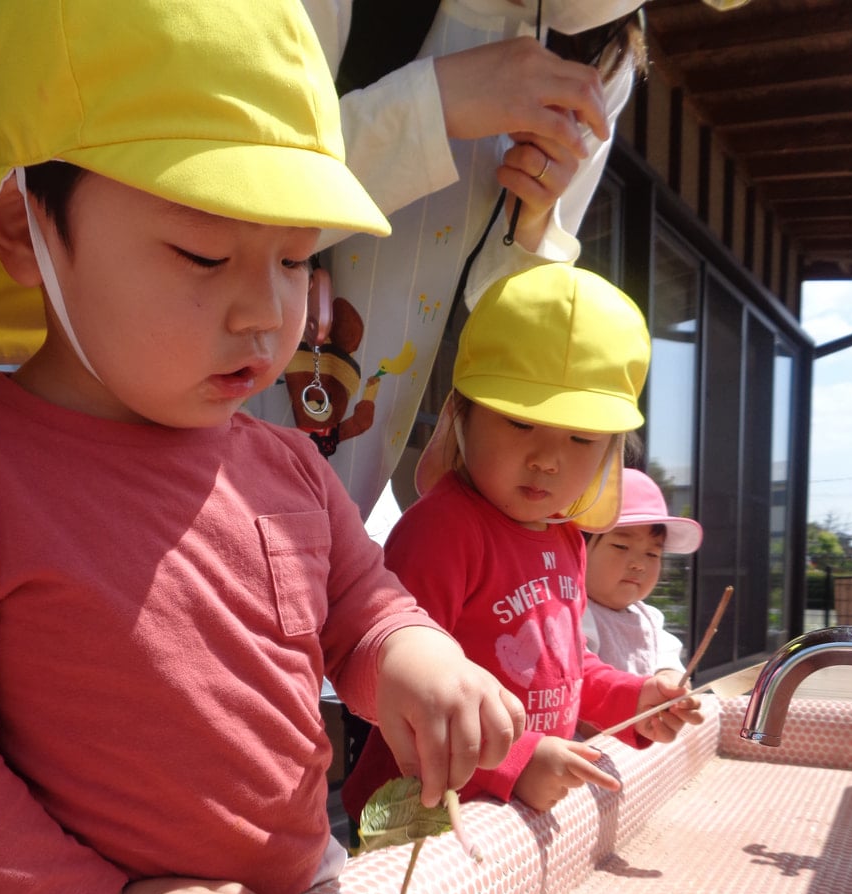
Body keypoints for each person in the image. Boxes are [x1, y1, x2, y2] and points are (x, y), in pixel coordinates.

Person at [0, 0, 526, 894]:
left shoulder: (286, 463)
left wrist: (421, 661)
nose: (265, 312)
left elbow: (361, 610)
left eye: (292, 259)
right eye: (203, 255)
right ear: (28, 233)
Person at [252, 0, 647, 518]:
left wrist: (530, 228)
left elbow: (508, 338)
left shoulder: (601, 49)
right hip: (186, 450)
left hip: (342, 505)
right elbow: (217, 198)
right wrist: (431, 105)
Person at [342, 263, 703, 821]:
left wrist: (635, 699)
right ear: (461, 415)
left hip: (518, 816)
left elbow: (566, 668)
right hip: (422, 818)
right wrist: (515, 759)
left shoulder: (567, 537)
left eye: (581, 437)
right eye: (519, 423)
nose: (547, 458)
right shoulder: (440, 532)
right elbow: (400, 692)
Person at [582, 468, 704, 680]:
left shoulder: (649, 618)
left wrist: (669, 677)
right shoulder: (578, 616)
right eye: (621, 546)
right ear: (578, 550)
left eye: (652, 554)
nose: (639, 565)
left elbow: (667, 657)